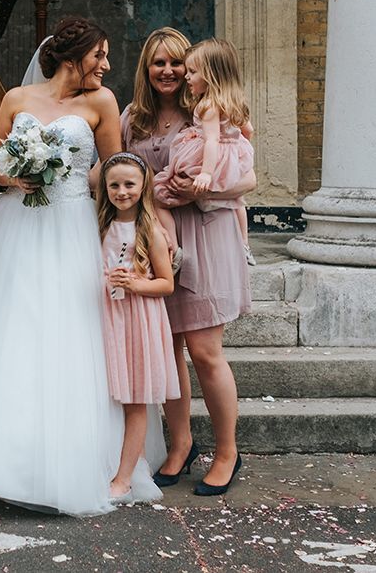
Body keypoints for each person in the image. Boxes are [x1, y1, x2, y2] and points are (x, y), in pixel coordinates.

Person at [0, 17, 164, 516]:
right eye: (100, 56)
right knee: (8, 332)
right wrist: (19, 172)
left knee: (69, 335)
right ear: (75, 56)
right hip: (17, 227)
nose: (106, 66)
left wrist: (61, 169)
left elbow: (112, 169)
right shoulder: (18, 98)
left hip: (71, 226)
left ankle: (71, 460)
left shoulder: (101, 103)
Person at [121, 27, 254, 496]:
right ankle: (180, 444)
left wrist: (205, 188)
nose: (169, 71)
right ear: (146, 69)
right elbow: (118, 169)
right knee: (168, 350)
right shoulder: (132, 118)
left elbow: (249, 177)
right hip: (156, 240)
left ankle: (227, 452)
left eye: (178, 63)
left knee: (203, 350)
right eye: (158, 63)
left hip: (206, 232)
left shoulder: (212, 110)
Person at [97, 152, 180, 502]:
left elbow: (166, 284)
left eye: (129, 184)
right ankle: (106, 463)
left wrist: (136, 284)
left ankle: (125, 478)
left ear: (142, 185)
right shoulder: (100, 226)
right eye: (114, 184)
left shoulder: (150, 231)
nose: (122, 191)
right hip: (106, 317)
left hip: (138, 321)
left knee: (134, 399)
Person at [152, 38, 255, 266]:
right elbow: (248, 130)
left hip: (209, 159)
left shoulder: (207, 105)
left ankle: (175, 248)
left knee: (159, 192)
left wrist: (207, 173)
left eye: (192, 72)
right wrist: (238, 152)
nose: (186, 77)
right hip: (231, 157)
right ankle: (245, 245)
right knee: (238, 201)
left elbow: (211, 140)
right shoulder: (234, 101)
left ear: (209, 75)